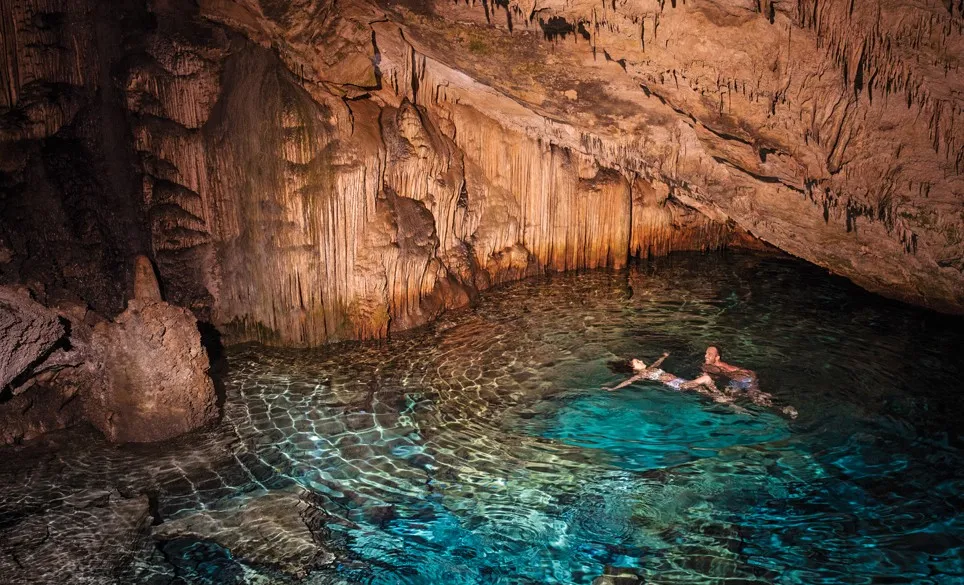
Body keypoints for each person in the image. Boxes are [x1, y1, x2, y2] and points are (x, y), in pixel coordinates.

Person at [702, 346, 798, 418]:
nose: (706, 356)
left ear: (717, 357)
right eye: (706, 353)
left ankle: (779, 407)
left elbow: (709, 377)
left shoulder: (710, 366)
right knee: (755, 396)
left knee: (742, 397)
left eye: (709, 354)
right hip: (748, 376)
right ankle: (783, 406)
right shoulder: (722, 365)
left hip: (743, 379)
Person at [603, 352, 729, 403]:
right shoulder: (642, 374)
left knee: (705, 391)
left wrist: (663, 357)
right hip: (678, 385)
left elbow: (656, 364)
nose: (641, 361)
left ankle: (722, 399)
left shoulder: (649, 369)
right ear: (634, 368)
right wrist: (613, 389)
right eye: (637, 362)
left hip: (682, 382)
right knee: (706, 378)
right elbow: (629, 381)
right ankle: (721, 396)